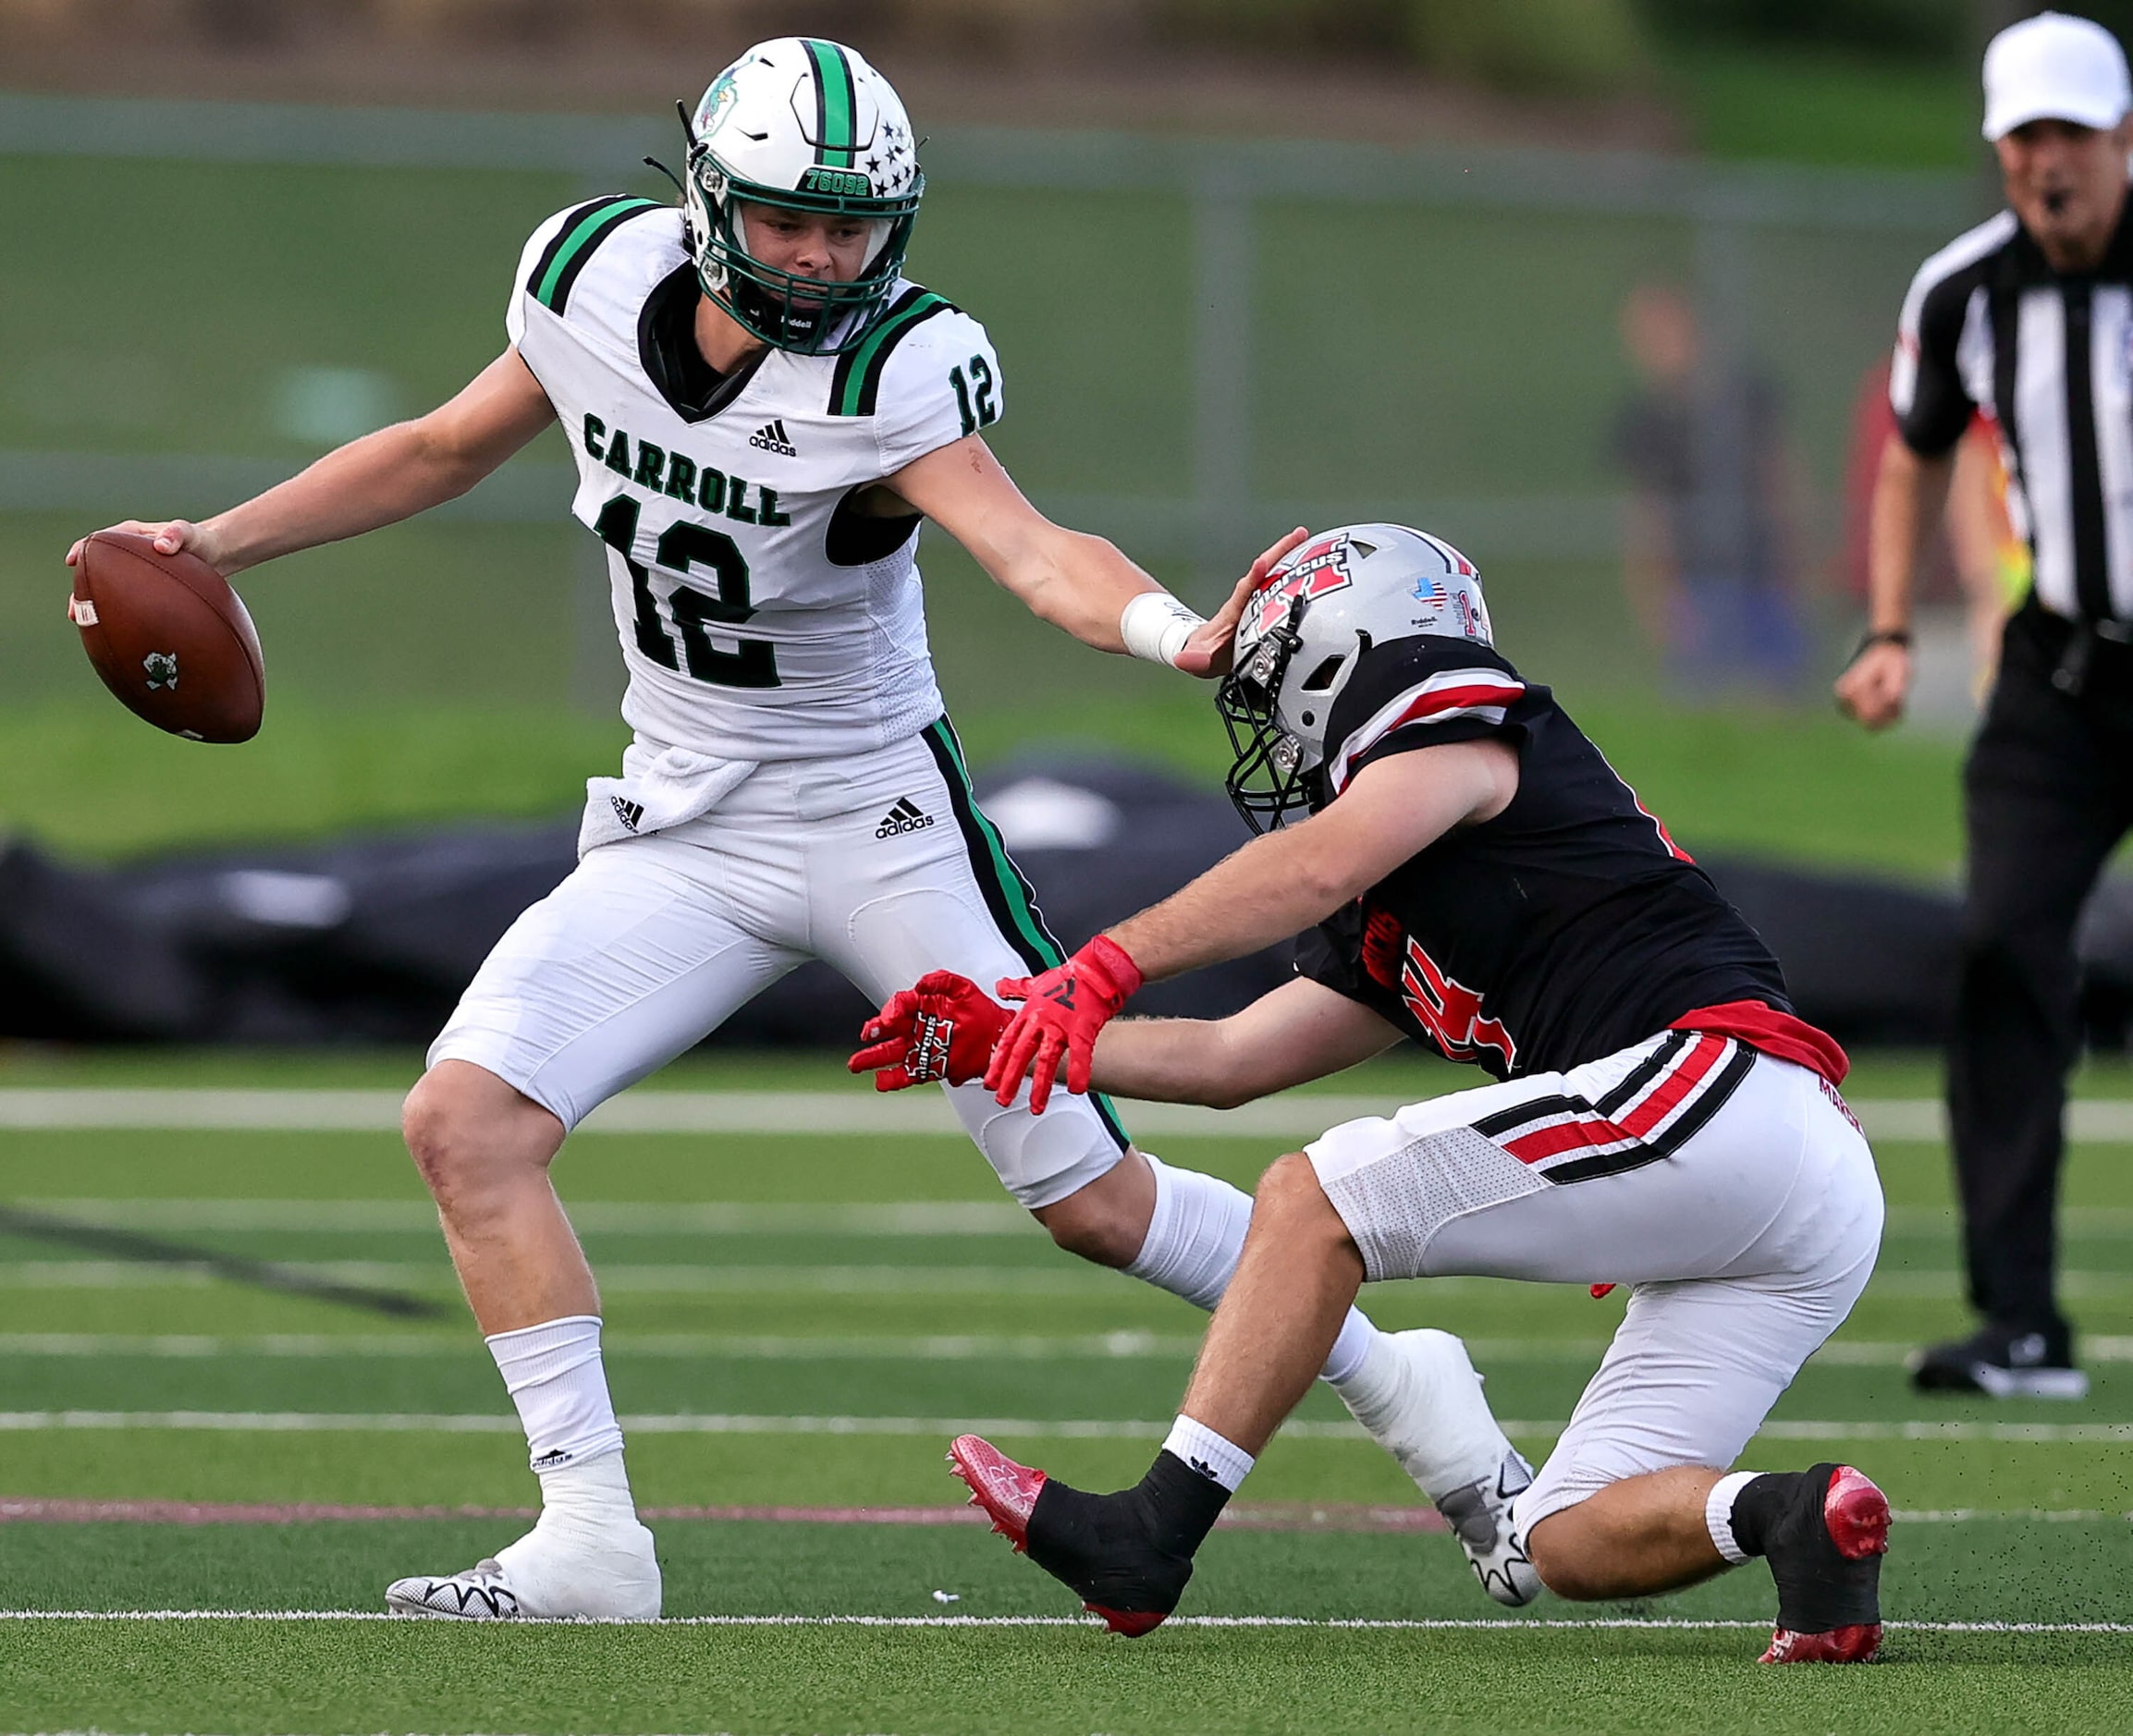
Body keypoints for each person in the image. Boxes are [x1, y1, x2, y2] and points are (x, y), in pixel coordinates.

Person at [67, 40, 1506, 1620]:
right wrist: (212, 542)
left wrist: (1172, 633)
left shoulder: (897, 367)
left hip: (873, 811)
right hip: (682, 817)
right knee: (464, 1124)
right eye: (786, 224)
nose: (821, 258)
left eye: (852, 227)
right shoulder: (587, 275)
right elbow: (437, 447)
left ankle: (1396, 1375)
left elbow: (1028, 548)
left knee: (1092, 1202)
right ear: (705, 200)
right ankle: (591, 1537)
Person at [856, 523, 1891, 1663]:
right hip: (1792, 1177)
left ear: (1342, 652)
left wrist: (1097, 971)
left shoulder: (1456, 708)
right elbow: (1233, 1061)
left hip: (1716, 1087)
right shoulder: (1412, 882)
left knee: (1313, 1198)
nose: (1271, 724)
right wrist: (1015, 1041)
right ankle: (1802, 1521)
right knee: (1561, 1539)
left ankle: (1151, 1534)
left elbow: (1316, 863)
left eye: (1270, 681)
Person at [1836, 10, 2133, 1400]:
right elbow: (1911, 449)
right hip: (2061, 677)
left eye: (2069, 132)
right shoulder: (1963, 290)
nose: (2045, 161)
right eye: (2023, 137)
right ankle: (2017, 1321)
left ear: (2121, 138)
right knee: (2001, 954)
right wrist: (1892, 625)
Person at [1609, 282, 1804, 696]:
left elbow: (1783, 480)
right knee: (1702, 702)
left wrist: (1801, 562)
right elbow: (1646, 519)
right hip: (1695, 589)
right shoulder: (1644, 423)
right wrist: (1657, 601)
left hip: (1764, 577)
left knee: (1779, 700)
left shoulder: (1749, 395)